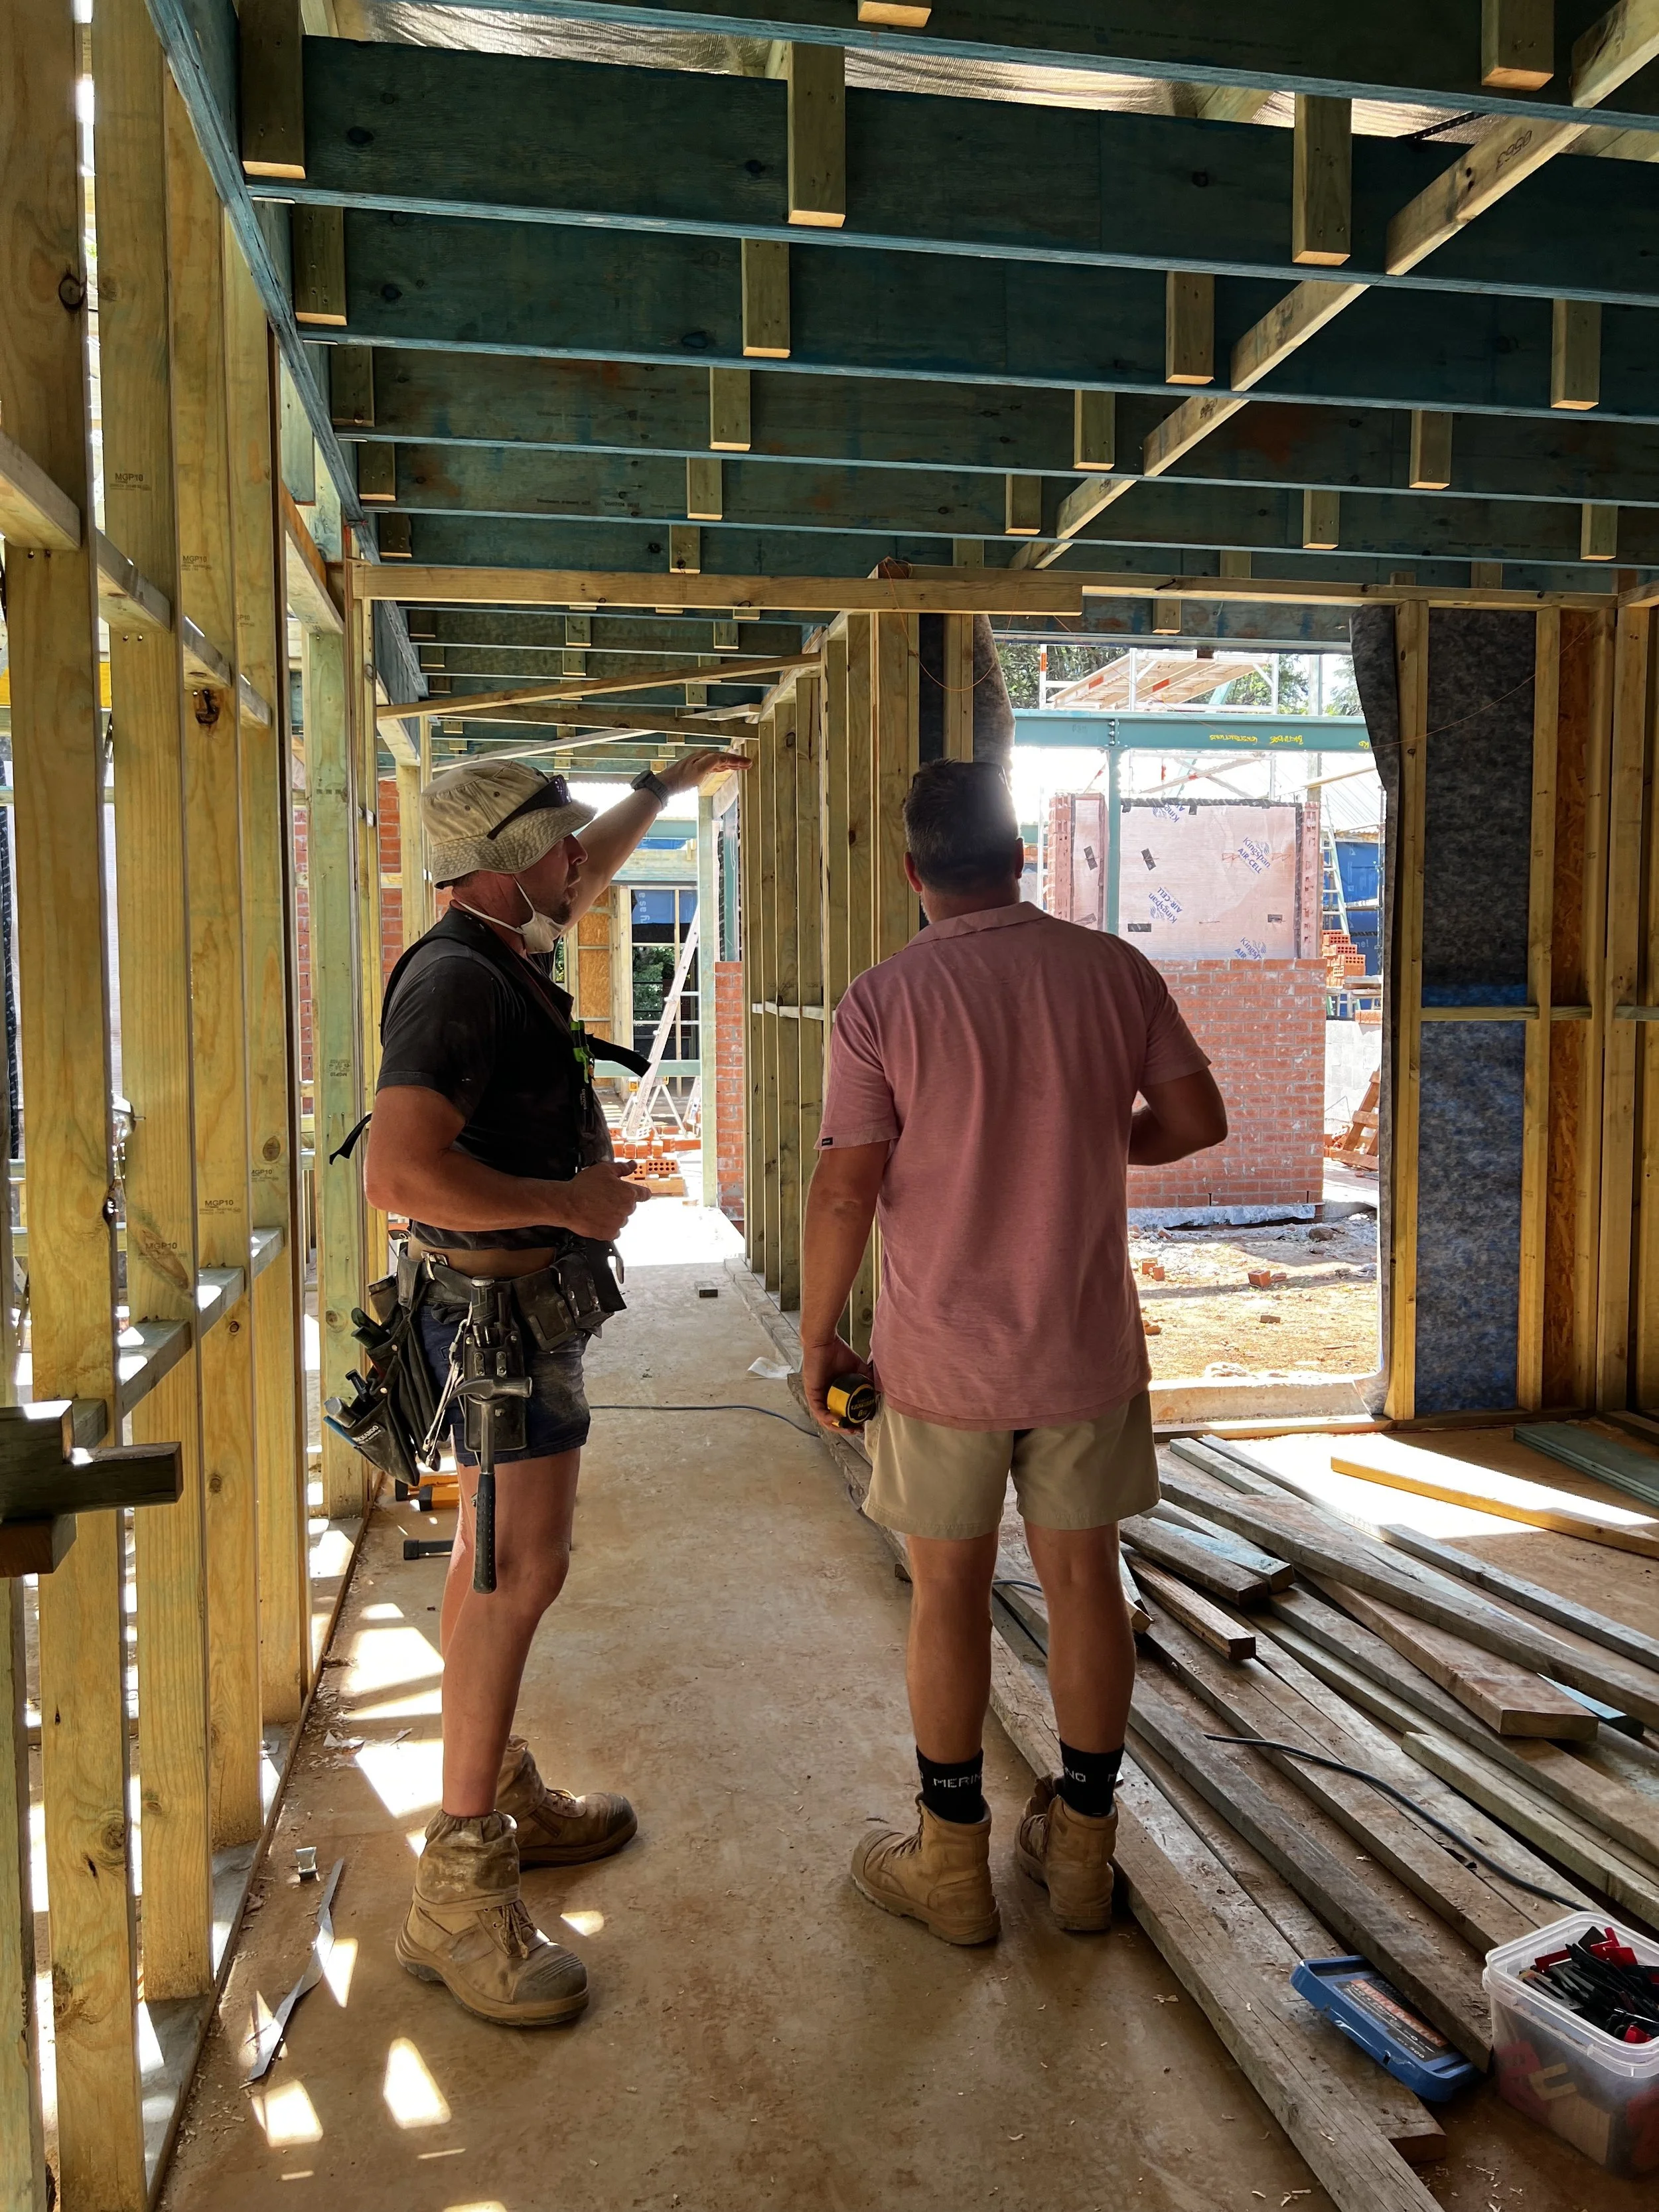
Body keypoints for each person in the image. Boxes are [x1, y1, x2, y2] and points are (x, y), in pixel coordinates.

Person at [800, 760, 1226, 1945]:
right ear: (1021, 857)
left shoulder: (884, 998)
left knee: (949, 1595)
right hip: (1082, 1346)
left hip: (943, 1360)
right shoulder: (1113, 971)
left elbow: (847, 1186)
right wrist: (1083, 1145)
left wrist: (819, 1331)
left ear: (911, 871)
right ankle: (1082, 1856)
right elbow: (1197, 1122)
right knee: (1087, 1582)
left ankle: (950, 1868)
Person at [364, 749, 745, 2026]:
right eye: (561, 846)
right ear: (505, 857)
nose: (581, 864)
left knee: (492, 1561)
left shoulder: (495, 942)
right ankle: (460, 1889)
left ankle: (494, 1777)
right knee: (516, 1573)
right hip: (497, 1322)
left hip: (514, 1310)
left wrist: (662, 780)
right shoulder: (457, 980)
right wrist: (569, 1202)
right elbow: (400, 1174)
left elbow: (600, 855)